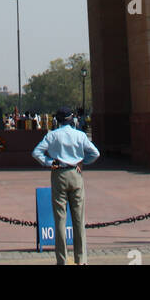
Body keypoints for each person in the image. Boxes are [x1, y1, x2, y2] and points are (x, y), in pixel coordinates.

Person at [32, 106, 100, 266]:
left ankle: (62, 260)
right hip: (76, 174)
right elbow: (95, 153)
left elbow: (36, 153)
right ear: (72, 119)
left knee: (60, 220)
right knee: (79, 219)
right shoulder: (80, 135)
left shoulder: (52, 135)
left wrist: (50, 162)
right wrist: (82, 162)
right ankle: (81, 259)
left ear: (57, 120)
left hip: (59, 174)